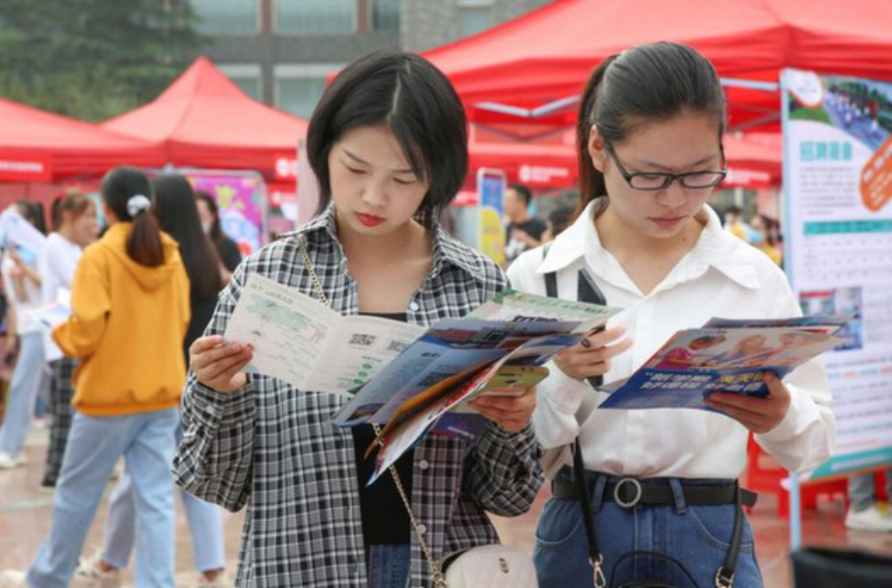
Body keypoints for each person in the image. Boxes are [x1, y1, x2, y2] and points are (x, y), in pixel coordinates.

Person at [173, 49, 542, 588]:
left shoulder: (477, 285)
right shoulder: (269, 278)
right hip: (299, 566)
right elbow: (215, 483)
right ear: (324, 152)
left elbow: (509, 496)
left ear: (437, 177)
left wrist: (511, 423)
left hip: (439, 568)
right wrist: (217, 392)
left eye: (403, 177)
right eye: (355, 168)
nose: (374, 196)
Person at [507, 42, 834, 588]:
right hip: (580, 528)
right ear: (598, 148)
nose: (675, 199)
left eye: (701, 172)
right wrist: (562, 379)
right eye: (651, 176)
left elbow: (814, 445)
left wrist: (780, 413)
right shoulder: (540, 277)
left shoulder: (753, 278)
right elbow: (515, 468)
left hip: (709, 533)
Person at [0, 166, 190, 588]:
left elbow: (85, 330)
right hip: (161, 395)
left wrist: (60, 332)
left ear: (105, 208)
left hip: (107, 396)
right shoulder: (170, 254)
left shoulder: (99, 257)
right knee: (156, 500)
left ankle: (47, 578)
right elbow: (180, 319)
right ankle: (157, 583)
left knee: (76, 496)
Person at [73, 174, 226, 588]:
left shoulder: (155, 254)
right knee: (184, 478)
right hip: (197, 384)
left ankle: (111, 561)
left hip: (159, 384)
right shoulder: (209, 256)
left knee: (142, 484)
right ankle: (210, 565)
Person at [37, 191, 99, 489]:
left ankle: (66, 471)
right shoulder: (55, 245)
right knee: (64, 412)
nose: (93, 224)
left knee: (72, 410)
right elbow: (80, 284)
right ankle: (56, 473)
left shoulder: (75, 248)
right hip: (62, 338)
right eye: (87, 216)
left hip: (75, 337)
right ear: (69, 216)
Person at [0, 201, 48, 469]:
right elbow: (14, 299)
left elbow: (45, 284)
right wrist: (10, 336)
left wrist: (23, 266)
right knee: (37, 388)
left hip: (42, 326)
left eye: (15, 218)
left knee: (21, 387)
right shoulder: (9, 254)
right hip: (26, 326)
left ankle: (10, 447)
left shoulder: (41, 250)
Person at [195, 191, 241, 280]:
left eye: (201, 217)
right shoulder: (186, 246)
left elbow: (239, 280)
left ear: (213, 216)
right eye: (194, 217)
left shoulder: (228, 246)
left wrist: (224, 275)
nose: (197, 222)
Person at [504, 183, 547, 263]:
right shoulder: (507, 228)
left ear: (521, 202)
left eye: (508, 200)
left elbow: (548, 254)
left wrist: (527, 240)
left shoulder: (540, 227)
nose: (504, 204)